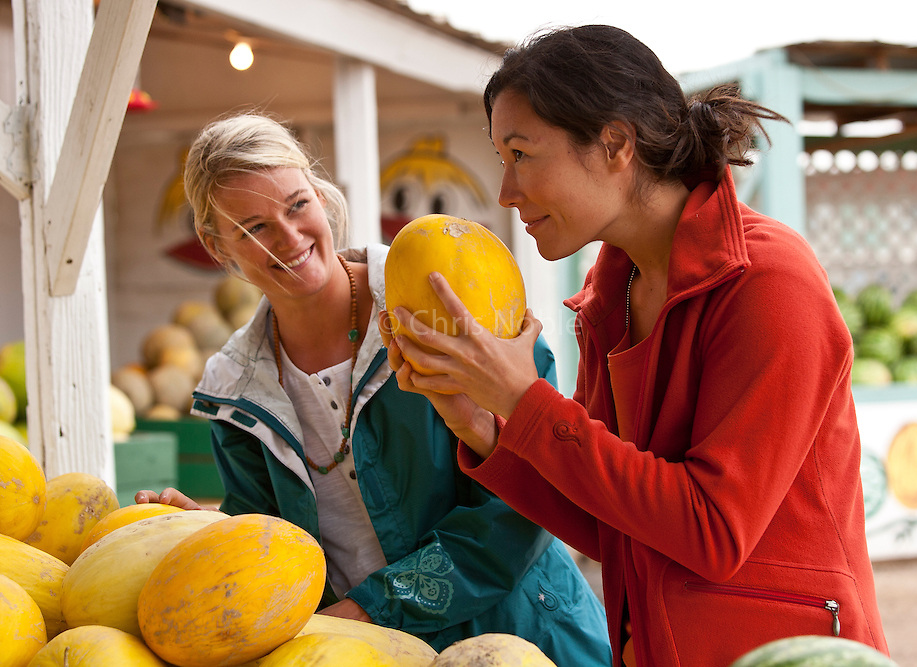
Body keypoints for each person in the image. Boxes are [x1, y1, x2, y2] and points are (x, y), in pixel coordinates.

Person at [380, 25, 890, 667]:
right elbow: (611, 524)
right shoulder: (609, 294)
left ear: (616, 143)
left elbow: (712, 530)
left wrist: (523, 399)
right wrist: (480, 422)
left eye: (521, 154)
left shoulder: (771, 283)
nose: (506, 192)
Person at [135, 111, 611, 665]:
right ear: (217, 247)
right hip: (369, 655)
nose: (288, 239)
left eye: (297, 205)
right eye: (254, 228)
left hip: (527, 635)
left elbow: (528, 498)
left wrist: (371, 607)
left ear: (319, 194)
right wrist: (208, 532)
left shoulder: (440, 298)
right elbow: (272, 546)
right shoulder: (235, 389)